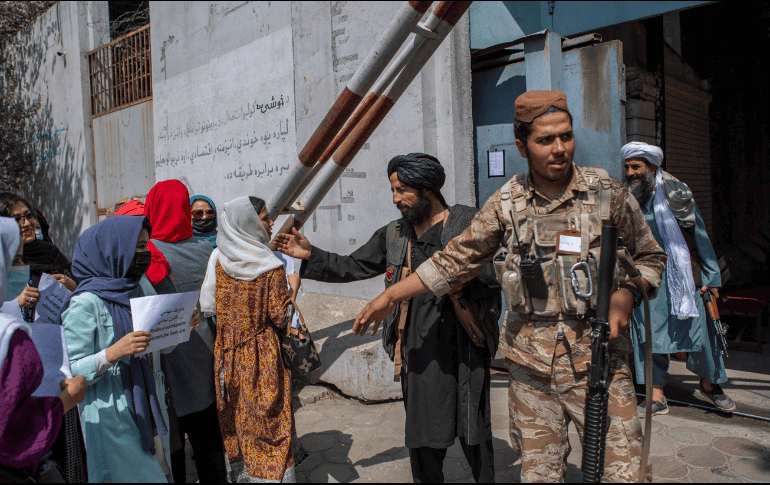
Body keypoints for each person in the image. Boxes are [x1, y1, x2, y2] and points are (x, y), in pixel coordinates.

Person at [354, 91, 669, 482]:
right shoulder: (506, 203)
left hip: (598, 364)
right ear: (521, 145)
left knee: (624, 474)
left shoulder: (606, 193)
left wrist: (628, 294)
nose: (559, 149)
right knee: (540, 476)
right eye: (545, 140)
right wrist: (389, 296)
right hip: (531, 371)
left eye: (566, 136)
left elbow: (651, 257)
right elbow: (455, 261)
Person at [276, 153, 501, 483]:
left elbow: (479, 276)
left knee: (475, 434)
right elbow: (355, 266)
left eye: (401, 190)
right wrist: (311, 255)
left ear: (426, 189)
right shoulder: (396, 234)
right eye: (393, 190)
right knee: (423, 440)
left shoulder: (466, 225)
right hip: (421, 353)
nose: (395, 199)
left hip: (466, 348)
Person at [61, 215, 198, 482]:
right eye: (137, 248)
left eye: (146, 247)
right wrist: (113, 353)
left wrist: (181, 327)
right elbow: (70, 372)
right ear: (114, 250)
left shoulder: (138, 289)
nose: (144, 255)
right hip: (109, 413)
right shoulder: (85, 303)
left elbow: (156, 350)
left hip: (146, 401)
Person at [622, 141, 734, 415]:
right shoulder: (624, 196)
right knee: (649, 331)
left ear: (651, 167)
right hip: (647, 274)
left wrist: (711, 277)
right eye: (627, 167)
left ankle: (711, 385)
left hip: (683, 274)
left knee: (702, 331)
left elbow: (699, 234)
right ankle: (656, 393)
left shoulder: (677, 191)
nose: (630, 172)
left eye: (635, 167)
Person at [201, 196, 303, 482]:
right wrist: (292, 293)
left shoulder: (218, 257)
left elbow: (208, 304)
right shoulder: (268, 264)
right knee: (270, 423)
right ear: (248, 221)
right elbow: (281, 317)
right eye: (265, 217)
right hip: (262, 354)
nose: (271, 224)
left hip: (228, 355)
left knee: (238, 420)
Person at [144, 180, 227, 483]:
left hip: (167, 359)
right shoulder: (203, 248)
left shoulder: (148, 251)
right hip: (202, 352)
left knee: (172, 443)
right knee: (208, 438)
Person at [0, 193, 86, 483]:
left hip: (55, 368)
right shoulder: (8, 331)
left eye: (28, 216)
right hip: (28, 394)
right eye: (16, 219)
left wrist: (71, 287)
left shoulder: (49, 254)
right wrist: (14, 301)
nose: (26, 224)